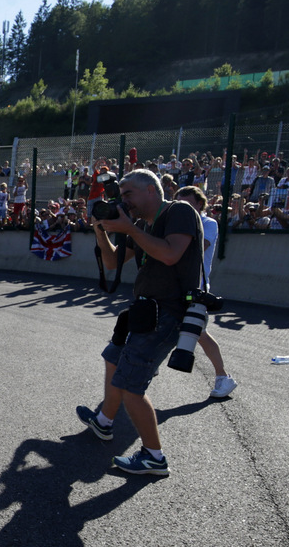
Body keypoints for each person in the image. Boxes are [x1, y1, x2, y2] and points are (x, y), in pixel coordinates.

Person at [79, 168, 203, 476]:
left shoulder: (179, 211)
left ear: (151, 190)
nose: (124, 201)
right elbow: (111, 262)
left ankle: (153, 457)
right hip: (145, 308)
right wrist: (101, 229)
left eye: (128, 194)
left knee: (131, 386)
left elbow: (171, 254)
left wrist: (130, 230)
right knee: (113, 357)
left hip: (168, 312)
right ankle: (104, 422)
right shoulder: (139, 224)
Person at [175, 186, 237, 398]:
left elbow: (199, 246)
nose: (182, 207)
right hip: (175, 285)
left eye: (187, 203)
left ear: (199, 203)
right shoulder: (176, 225)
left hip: (197, 287)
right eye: (179, 203)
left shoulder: (208, 223)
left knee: (199, 334)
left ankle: (223, 377)